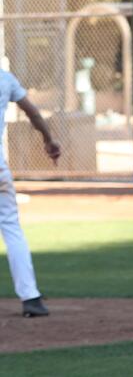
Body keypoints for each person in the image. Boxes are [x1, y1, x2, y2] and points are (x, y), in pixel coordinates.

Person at [0, 72, 61, 317]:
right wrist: (49, 140)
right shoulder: (4, 79)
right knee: (12, 229)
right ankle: (31, 297)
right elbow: (33, 112)